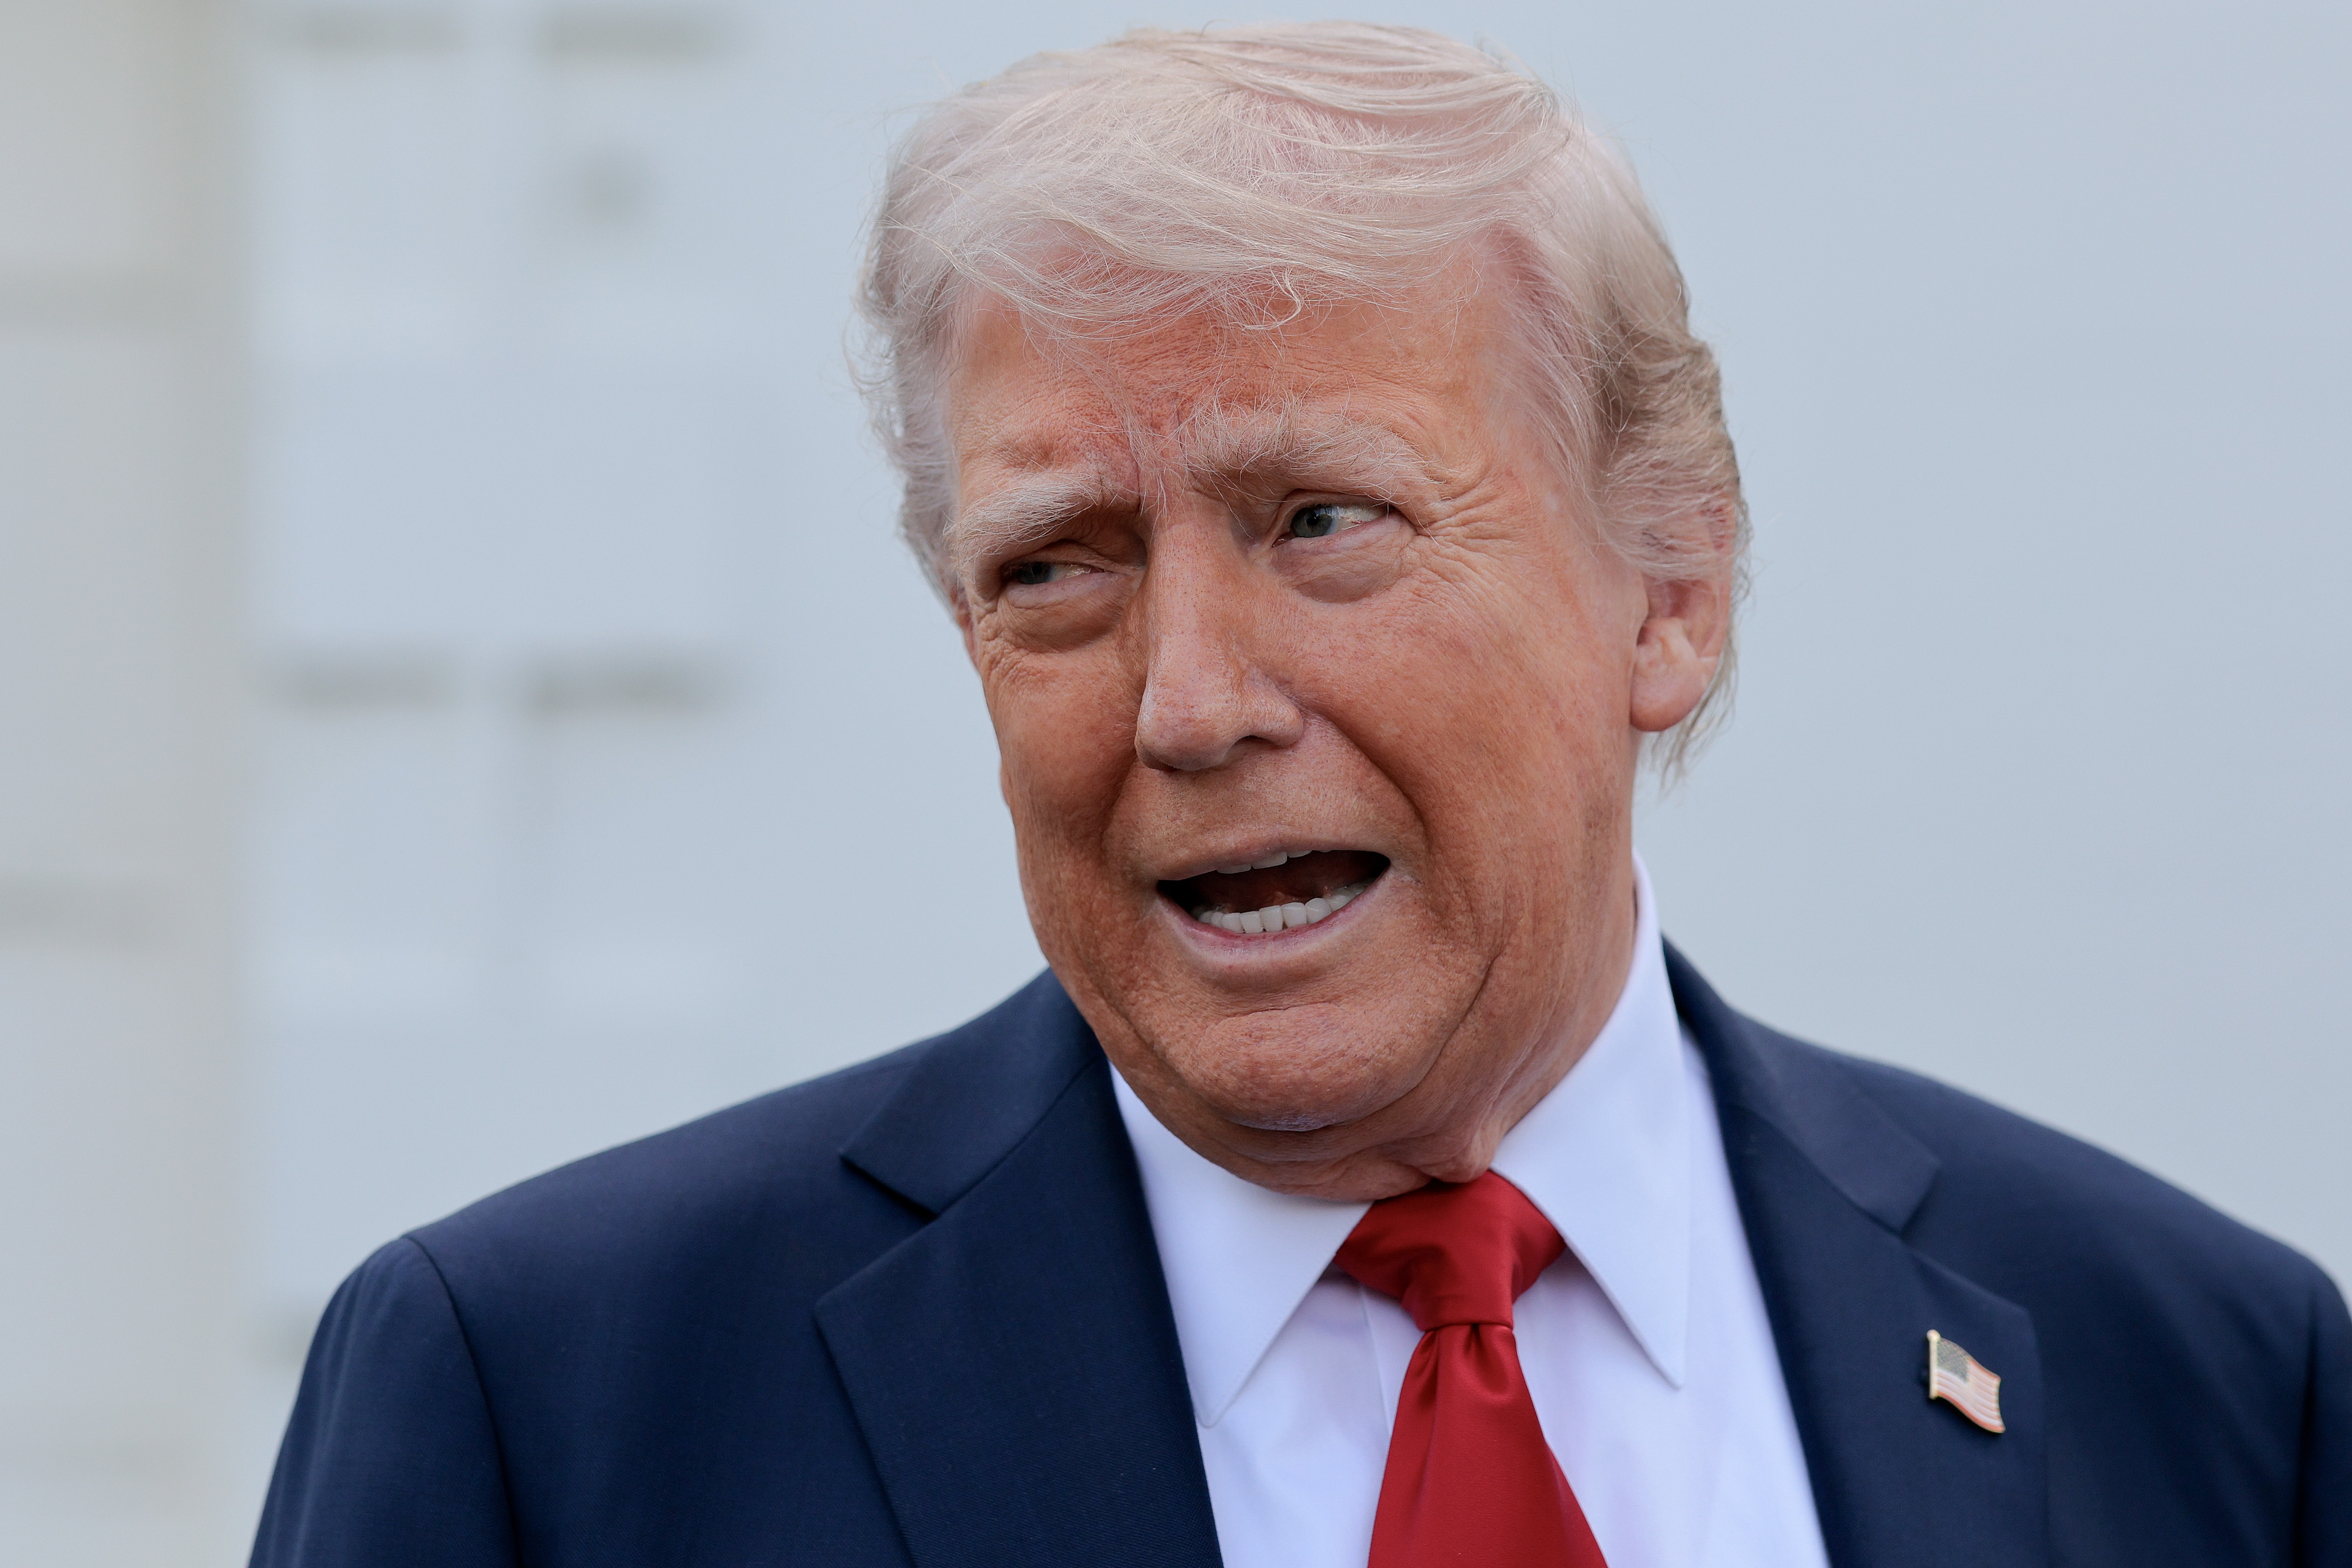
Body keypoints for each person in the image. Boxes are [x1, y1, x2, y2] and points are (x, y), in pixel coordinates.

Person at [250, 24, 2347, 1568]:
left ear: (1671, 593)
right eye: (1056, 566)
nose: (1186, 700)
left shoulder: (2203, 1377)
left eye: (1322, 518)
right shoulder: (555, 1405)